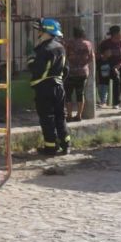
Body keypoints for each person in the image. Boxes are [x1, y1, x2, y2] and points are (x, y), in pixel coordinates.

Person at [28, 18, 70, 155]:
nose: (38, 32)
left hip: (44, 88)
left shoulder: (43, 49)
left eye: (39, 29)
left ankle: (50, 148)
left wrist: (30, 60)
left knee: (47, 118)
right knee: (60, 116)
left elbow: (36, 69)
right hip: (59, 87)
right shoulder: (61, 47)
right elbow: (66, 69)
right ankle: (66, 145)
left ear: (45, 31)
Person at [64, 26, 94, 122]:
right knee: (80, 94)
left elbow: (65, 55)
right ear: (83, 34)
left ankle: (69, 115)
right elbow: (91, 58)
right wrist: (84, 64)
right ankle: (79, 115)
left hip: (70, 73)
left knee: (68, 94)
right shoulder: (88, 44)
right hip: (83, 72)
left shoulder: (69, 44)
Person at [97, 25, 121, 109]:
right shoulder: (105, 43)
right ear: (114, 34)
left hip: (119, 65)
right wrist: (104, 56)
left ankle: (116, 102)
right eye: (120, 32)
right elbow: (98, 55)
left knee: (120, 77)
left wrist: (118, 66)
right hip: (106, 65)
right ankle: (103, 101)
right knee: (103, 79)